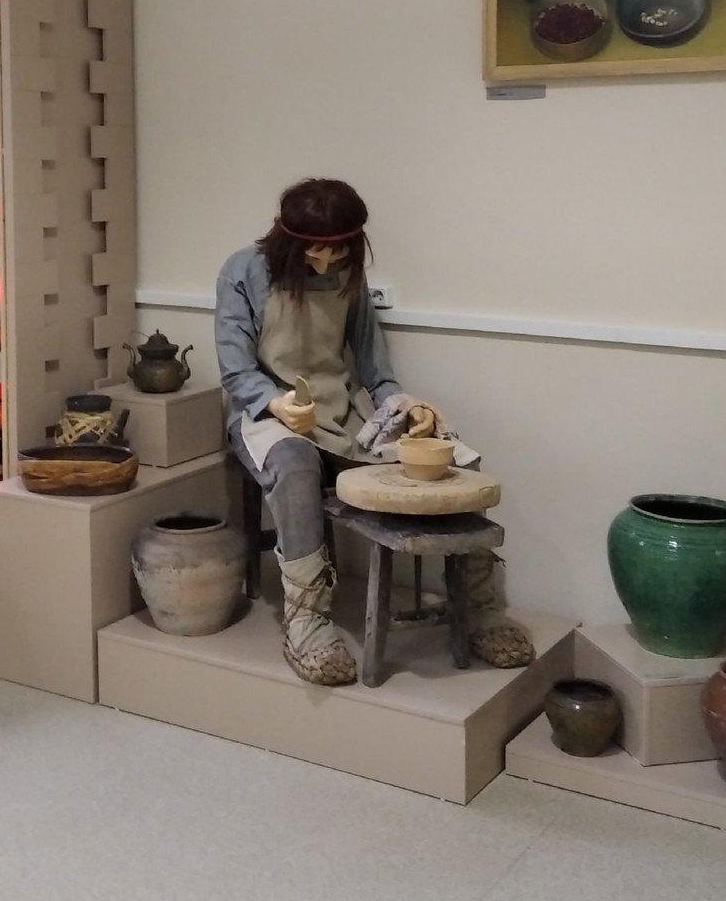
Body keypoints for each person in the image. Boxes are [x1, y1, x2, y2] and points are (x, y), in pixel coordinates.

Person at [215, 177, 532, 686]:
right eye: (315, 250)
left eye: (338, 250)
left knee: (450, 454)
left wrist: (405, 407)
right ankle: (306, 620)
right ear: (287, 237)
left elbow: (374, 369)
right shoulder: (243, 270)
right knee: (295, 466)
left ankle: (479, 607)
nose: (326, 261)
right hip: (264, 414)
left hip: (342, 410)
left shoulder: (350, 276)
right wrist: (276, 403)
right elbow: (235, 371)